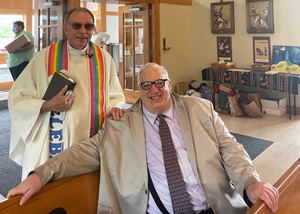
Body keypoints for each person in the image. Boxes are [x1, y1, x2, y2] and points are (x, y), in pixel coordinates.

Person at [8, 63, 279, 214]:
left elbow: (232, 149)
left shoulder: (200, 109)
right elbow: (81, 152)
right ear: (139, 90)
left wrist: (250, 182)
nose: (154, 90)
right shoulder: (120, 125)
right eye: (146, 85)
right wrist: (39, 174)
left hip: (212, 209)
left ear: (169, 84)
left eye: (159, 82)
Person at [8, 7, 125, 180]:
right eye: (77, 25)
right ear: (66, 28)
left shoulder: (104, 59)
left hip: (91, 138)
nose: (83, 31)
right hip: (53, 139)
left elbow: (115, 96)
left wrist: (115, 108)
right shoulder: (43, 58)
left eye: (88, 26)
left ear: (93, 29)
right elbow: (17, 97)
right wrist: (47, 105)